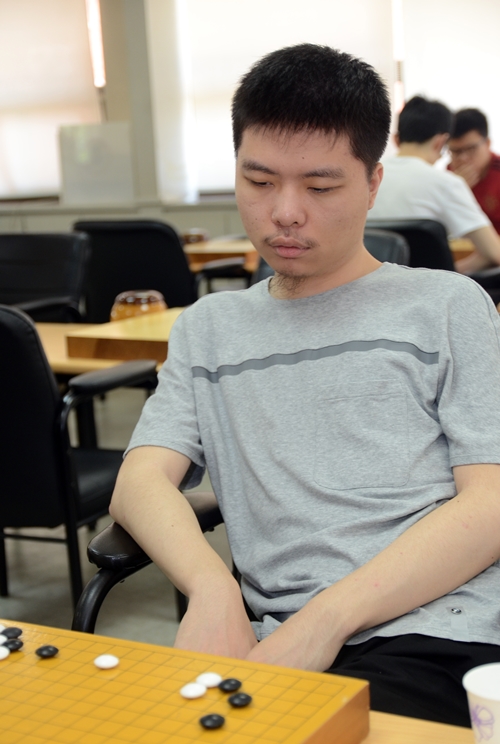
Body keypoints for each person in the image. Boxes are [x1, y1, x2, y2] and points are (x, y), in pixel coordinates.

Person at [110, 44, 500, 728]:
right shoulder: (209, 329)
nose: (285, 212)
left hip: (437, 633)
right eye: (259, 181)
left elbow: (491, 502)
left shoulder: (445, 305)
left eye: (320, 188)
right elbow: (138, 482)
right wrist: (211, 589)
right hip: (274, 642)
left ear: (373, 183)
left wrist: (325, 621)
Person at [369, 95, 500, 273]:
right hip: (429, 286)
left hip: (370, 282)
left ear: (396, 140)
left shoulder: (368, 177)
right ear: (441, 142)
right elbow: (496, 254)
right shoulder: (446, 183)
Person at [448, 108, 500, 236]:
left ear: (487, 143)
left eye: (471, 149)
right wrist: (455, 190)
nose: (463, 158)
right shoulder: (450, 174)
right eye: (456, 151)